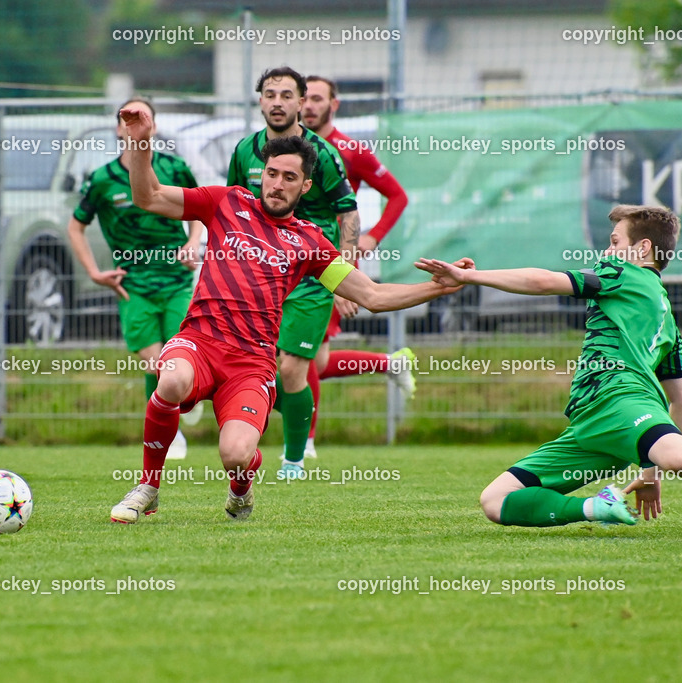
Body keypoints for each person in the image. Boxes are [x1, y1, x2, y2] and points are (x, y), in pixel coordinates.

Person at [109, 108, 472, 523]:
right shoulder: (225, 202)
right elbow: (149, 196)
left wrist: (437, 286)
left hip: (251, 363)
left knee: (235, 455)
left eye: (289, 177)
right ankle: (148, 488)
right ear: (261, 174)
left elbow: (371, 295)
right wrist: (140, 141)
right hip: (200, 342)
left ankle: (241, 485)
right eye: (272, 174)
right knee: (170, 379)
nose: (278, 184)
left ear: (306, 186)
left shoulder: (310, 241)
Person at [415, 205, 682, 539]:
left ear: (642, 249)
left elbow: (544, 282)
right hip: (591, 425)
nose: (607, 251)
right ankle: (598, 508)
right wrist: (649, 471)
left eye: (614, 241)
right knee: (495, 501)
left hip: (619, 400)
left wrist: (468, 277)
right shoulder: (663, 313)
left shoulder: (621, 272)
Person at [226, 66, 359, 478]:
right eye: (270, 94)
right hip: (261, 276)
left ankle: (295, 460)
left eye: (287, 95)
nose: (278, 102)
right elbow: (232, 208)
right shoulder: (245, 150)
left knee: (292, 368)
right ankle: (274, 425)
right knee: (255, 368)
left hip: (312, 278)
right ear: (260, 100)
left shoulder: (322, 154)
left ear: (301, 102)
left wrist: (344, 279)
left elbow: (348, 212)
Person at [67, 97, 204, 459]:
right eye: (126, 119)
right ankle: (170, 433)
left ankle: (187, 399)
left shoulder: (174, 168)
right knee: (156, 364)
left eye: (142, 117)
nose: (134, 124)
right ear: (117, 129)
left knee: (179, 362)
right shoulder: (102, 179)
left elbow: (199, 211)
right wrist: (94, 273)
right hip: (132, 285)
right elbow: (75, 227)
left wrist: (192, 243)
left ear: (154, 127)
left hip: (176, 281)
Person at [299, 75, 413, 460]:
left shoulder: (350, 150)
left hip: (329, 262)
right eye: (305, 98)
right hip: (290, 259)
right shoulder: (288, 149)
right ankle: (389, 364)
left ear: (334, 104)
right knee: (308, 359)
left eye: (318, 98)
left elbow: (397, 195)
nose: (309, 105)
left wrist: (371, 238)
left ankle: (303, 445)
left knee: (302, 357)